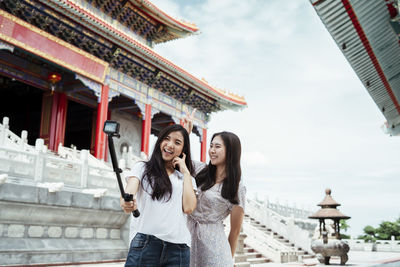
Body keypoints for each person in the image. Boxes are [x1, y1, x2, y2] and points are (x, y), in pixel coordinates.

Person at [120, 124, 197, 267]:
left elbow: (188, 207)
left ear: (183, 151)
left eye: (177, 142)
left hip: (179, 249)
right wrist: (127, 202)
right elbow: (129, 192)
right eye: (166, 139)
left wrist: (186, 172)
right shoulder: (142, 168)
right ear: (160, 141)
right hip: (145, 245)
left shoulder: (187, 179)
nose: (170, 145)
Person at [183, 112, 246, 267]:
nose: (211, 150)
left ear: (230, 152)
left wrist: (229, 261)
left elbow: (235, 231)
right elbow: (178, 159)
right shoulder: (200, 170)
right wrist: (186, 133)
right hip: (187, 238)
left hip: (215, 249)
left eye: (217, 146)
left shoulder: (237, 187)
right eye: (211, 146)